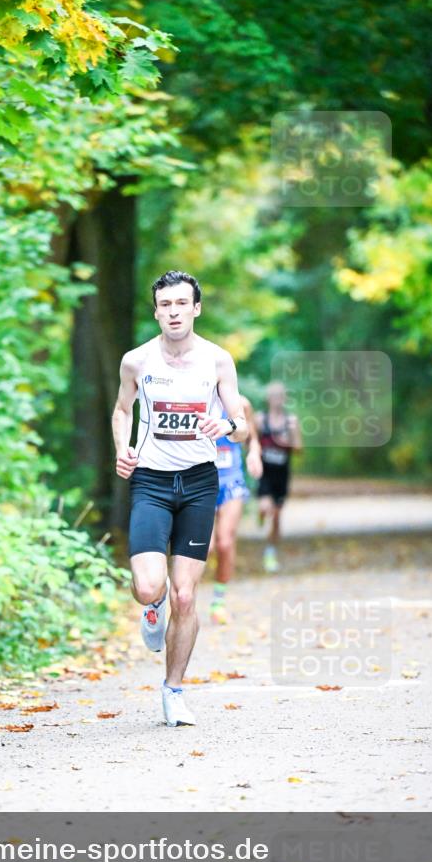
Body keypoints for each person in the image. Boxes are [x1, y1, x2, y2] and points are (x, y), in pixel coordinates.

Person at [111, 270, 249, 727]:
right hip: (150, 480)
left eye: (181, 304)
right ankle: (151, 608)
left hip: (198, 483)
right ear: (156, 310)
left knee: (186, 596)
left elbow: (241, 421)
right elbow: (121, 410)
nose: (173, 312)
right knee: (152, 586)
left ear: (196, 308)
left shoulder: (217, 360)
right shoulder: (136, 361)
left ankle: (173, 692)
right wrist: (122, 449)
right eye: (165, 304)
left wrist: (226, 427)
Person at [208, 396, 263, 624]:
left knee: (225, 542)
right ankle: (182, 597)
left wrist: (254, 454)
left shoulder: (241, 404)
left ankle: (218, 602)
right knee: (206, 548)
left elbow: (252, 438)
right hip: (202, 481)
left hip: (231, 480)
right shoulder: (194, 398)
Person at [255, 381, 302, 573]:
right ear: (268, 399)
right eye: (273, 396)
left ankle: (270, 551)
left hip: (281, 475)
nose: (277, 400)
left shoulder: (291, 421)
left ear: (284, 399)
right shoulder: (260, 419)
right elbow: (251, 444)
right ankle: (261, 512)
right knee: (266, 508)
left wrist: (288, 441)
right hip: (264, 473)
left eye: (280, 396)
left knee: (276, 517)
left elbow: (299, 448)